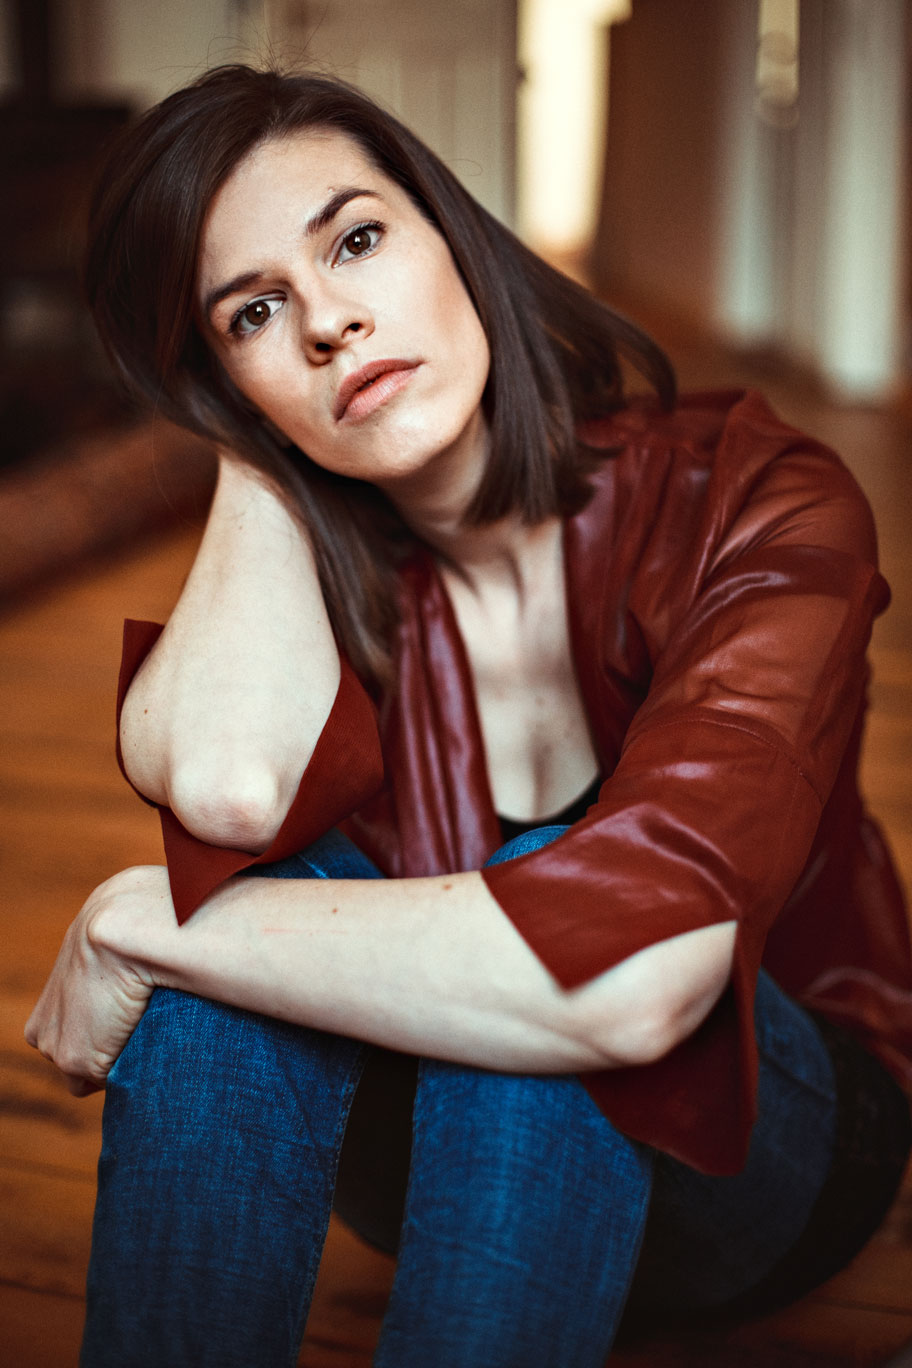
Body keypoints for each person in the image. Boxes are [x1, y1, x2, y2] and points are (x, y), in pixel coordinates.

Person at [26, 63, 912, 1368]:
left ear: (455, 233)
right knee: (222, 990)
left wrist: (141, 919)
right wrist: (248, 442)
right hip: (438, 1160)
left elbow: (636, 983)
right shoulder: (305, 591)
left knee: (523, 908)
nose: (329, 322)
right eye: (254, 312)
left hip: (765, 1154)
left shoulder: (758, 498)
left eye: (356, 242)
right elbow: (226, 790)